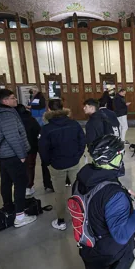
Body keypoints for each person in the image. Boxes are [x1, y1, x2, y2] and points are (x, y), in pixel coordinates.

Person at [74, 135, 135, 269]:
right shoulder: (113, 194)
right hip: (112, 254)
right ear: (113, 157)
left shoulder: (81, 179)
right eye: (120, 153)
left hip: (88, 245)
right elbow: (122, 235)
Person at [0, 89, 37, 228]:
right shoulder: (6, 115)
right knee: (20, 183)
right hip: (12, 154)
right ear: (5, 101)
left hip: (1, 154)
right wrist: (21, 155)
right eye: (13, 98)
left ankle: (9, 206)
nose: (16, 100)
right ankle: (20, 216)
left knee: (6, 181)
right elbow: (13, 137)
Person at [39, 99, 86, 231]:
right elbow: (82, 141)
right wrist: (77, 156)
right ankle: (81, 216)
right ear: (63, 108)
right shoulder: (74, 124)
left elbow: (43, 149)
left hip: (56, 165)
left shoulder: (46, 128)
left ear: (48, 110)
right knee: (77, 189)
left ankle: (61, 220)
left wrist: (48, 163)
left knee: (59, 193)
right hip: (73, 162)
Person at [15, 104, 52, 196]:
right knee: (30, 166)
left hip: (16, 148)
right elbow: (38, 132)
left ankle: (21, 187)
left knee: (19, 167)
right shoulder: (31, 119)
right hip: (32, 147)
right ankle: (29, 186)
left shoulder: (13, 121)